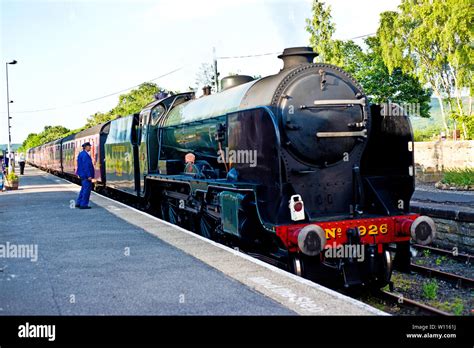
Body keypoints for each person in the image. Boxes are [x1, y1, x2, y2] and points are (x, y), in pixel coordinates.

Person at [75, 142, 94, 209]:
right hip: (85, 175)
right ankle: (84, 205)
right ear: (86, 147)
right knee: (86, 190)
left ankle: (78, 202)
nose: (90, 147)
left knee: (83, 189)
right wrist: (89, 175)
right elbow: (86, 166)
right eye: (89, 146)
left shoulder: (81, 154)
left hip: (82, 174)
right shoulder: (85, 155)